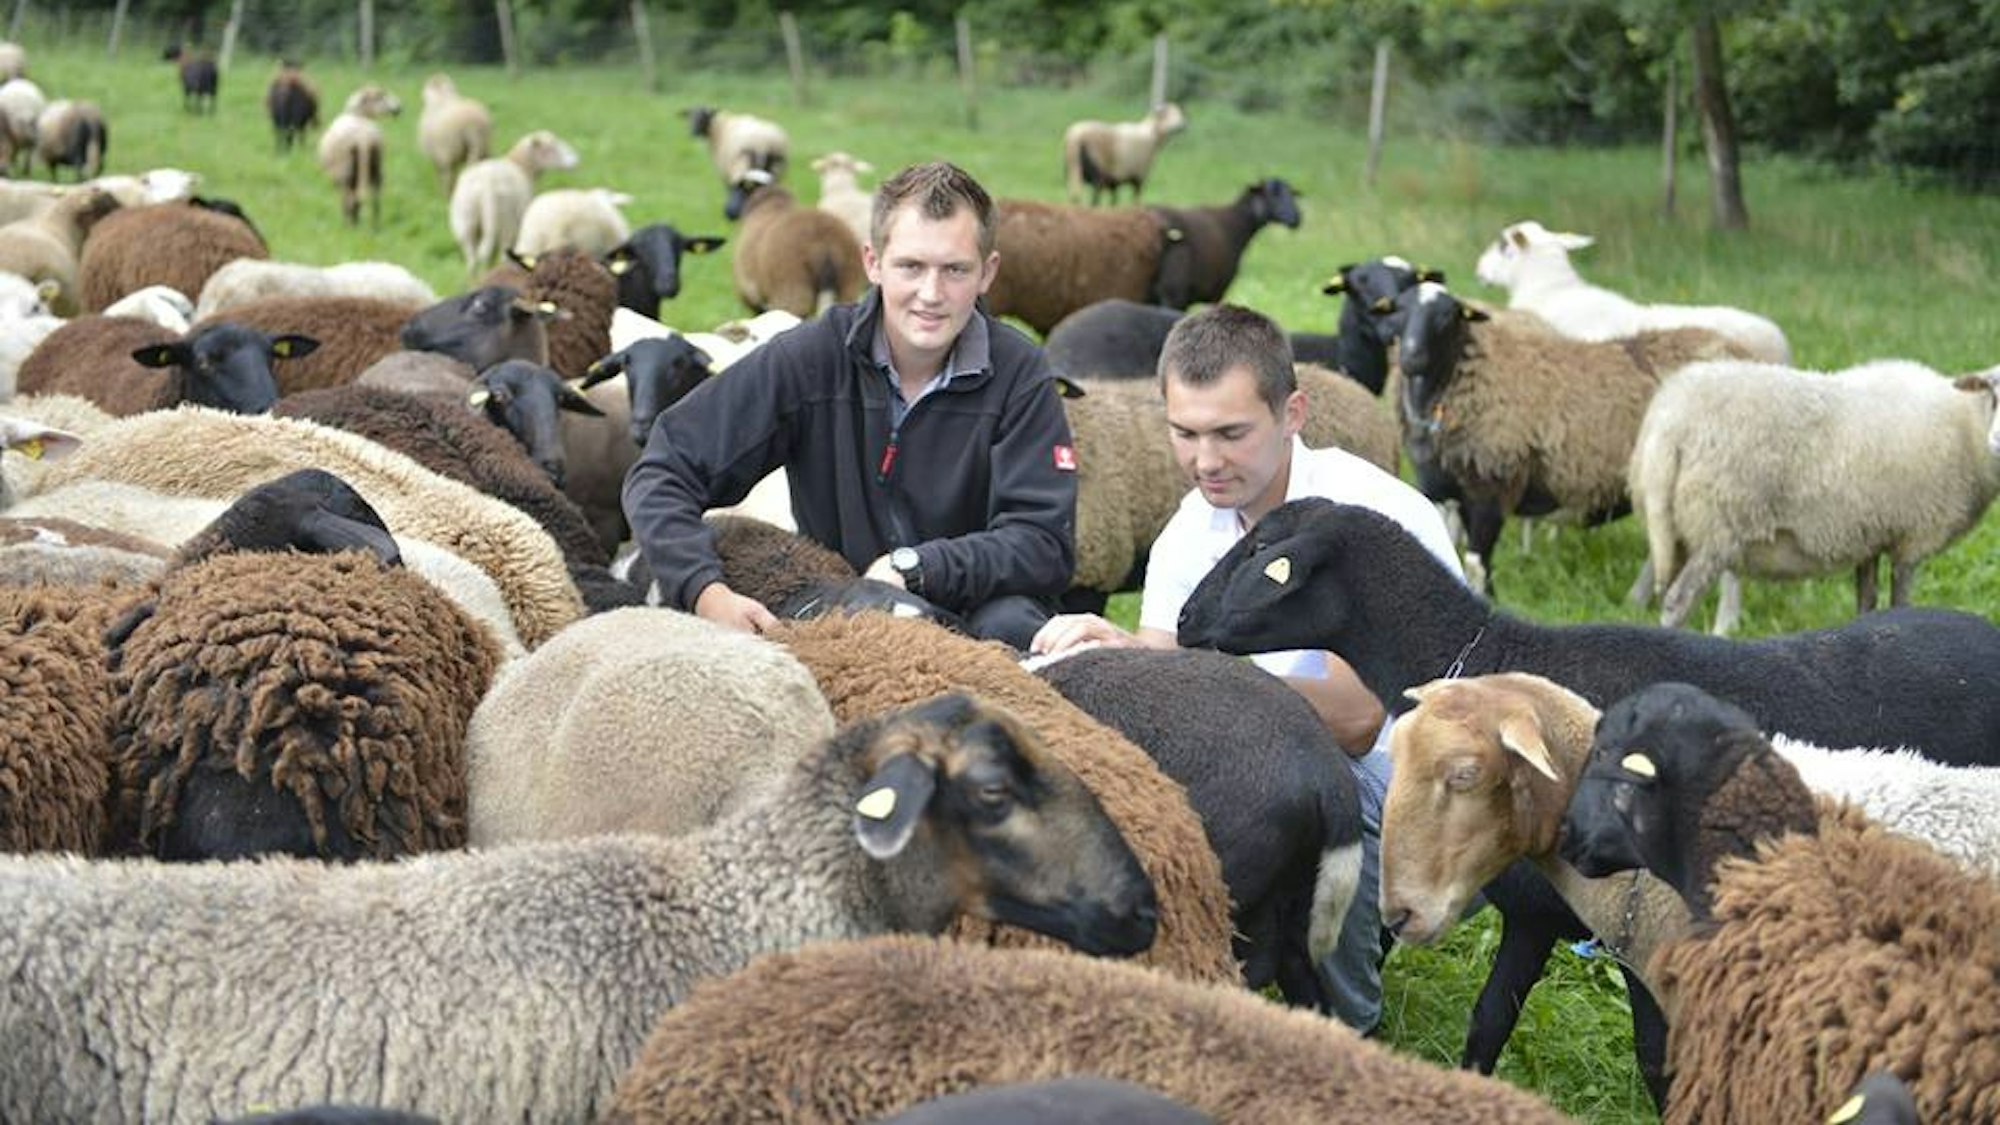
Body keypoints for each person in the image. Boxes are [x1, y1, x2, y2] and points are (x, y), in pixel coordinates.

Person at [1028, 303, 1464, 1033]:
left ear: (1292, 413)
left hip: (1415, 785)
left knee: (1307, 780)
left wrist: (1196, 677)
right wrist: (1118, 654)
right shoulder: (1189, 530)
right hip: (1284, 751)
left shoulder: (1371, 521)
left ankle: (1343, 1022)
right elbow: (1173, 671)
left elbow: (1359, 719)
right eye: (1185, 433)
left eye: (1231, 434)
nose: (1205, 461)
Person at [622, 161, 1076, 649]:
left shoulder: (1019, 373)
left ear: (987, 272)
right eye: (911, 266)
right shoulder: (812, 357)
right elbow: (665, 468)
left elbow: (1043, 542)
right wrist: (704, 592)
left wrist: (918, 568)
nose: (931, 293)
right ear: (872, 263)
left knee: (1023, 633)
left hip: (985, 623)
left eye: (955, 270)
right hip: (842, 614)